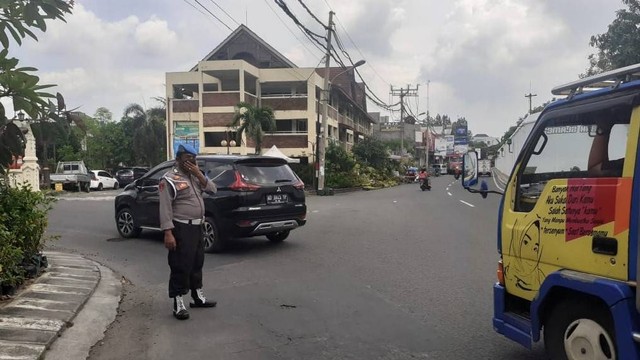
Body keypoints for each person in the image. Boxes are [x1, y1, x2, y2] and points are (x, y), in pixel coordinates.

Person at [159, 143, 218, 320]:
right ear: (178, 160)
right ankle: (178, 302)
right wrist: (168, 232)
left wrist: (199, 173)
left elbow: (213, 190)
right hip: (181, 228)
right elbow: (165, 207)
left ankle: (197, 297)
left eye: (193, 160)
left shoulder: (195, 177)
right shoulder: (169, 179)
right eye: (187, 160)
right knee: (180, 265)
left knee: (197, 263)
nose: (190, 163)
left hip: (198, 226)